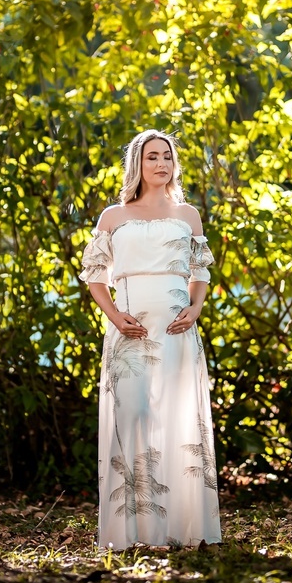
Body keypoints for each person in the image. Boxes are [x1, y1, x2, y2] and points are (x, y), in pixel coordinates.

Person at [78, 129, 221, 549]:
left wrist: (195, 310)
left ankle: (183, 528)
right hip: (130, 331)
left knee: (178, 419)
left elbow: (201, 274)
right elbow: (94, 276)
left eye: (167, 157)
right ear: (137, 164)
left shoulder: (188, 215)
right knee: (135, 414)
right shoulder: (113, 216)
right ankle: (133, 531)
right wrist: (114, 316)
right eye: (152, 157)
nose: (161, 164)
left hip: (178, 332)